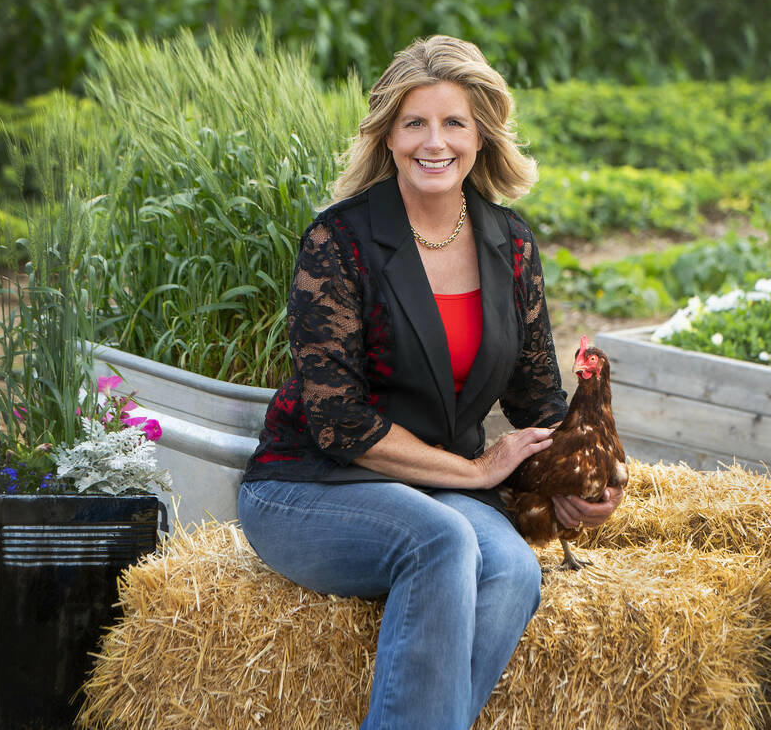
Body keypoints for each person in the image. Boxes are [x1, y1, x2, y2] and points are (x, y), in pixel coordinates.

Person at [237, 35, 623, 729]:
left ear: (481, 137)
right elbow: (338, 422)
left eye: (453, 123)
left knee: (513, 569)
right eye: (414, 122)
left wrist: (576, 476)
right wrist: (476, 471)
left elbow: (537, 395)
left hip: (438, 489)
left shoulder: (512, 244)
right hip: (309, 484)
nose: (433, 141)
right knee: (442, 541)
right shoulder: (340, 242)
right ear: (388, 136)